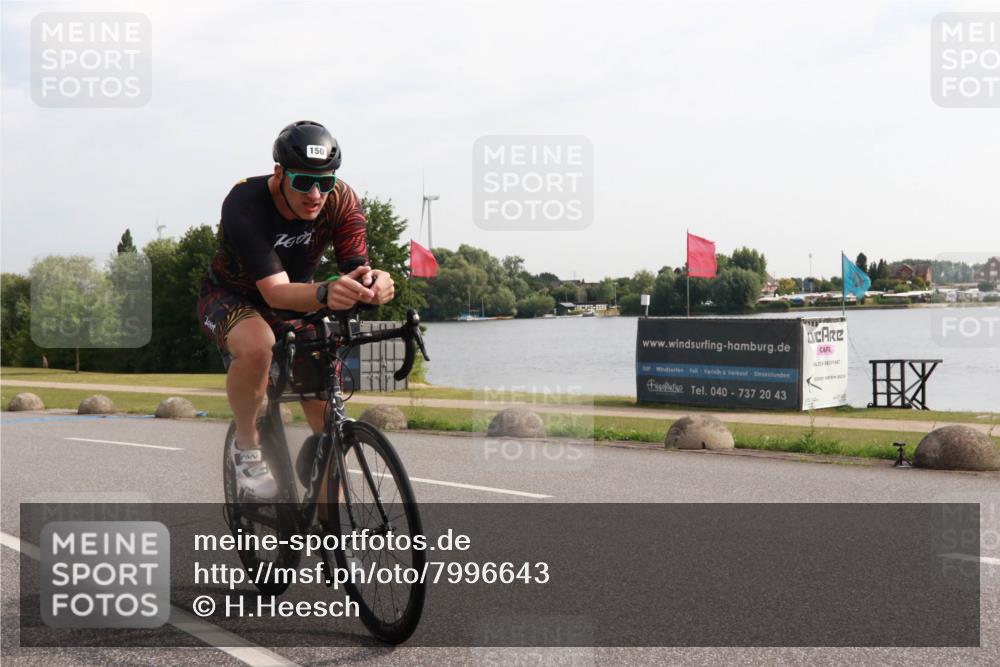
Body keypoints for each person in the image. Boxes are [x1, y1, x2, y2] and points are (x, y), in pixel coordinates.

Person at [198, 120, 395, 499]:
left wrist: (377, 283)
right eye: (304, 182)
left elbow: (357, 270)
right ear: (279, 174)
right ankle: (246, 446)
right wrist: (325, 294)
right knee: (258, 344)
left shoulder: (341, 200)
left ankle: (331, 546)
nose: (316, 193)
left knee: (329, 430)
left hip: (299, 299)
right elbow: (274, 293)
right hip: (232, 296)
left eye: (326, 181)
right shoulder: (245, 202)